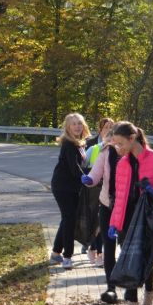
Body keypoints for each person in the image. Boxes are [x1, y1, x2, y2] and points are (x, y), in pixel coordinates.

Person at [106, 122, 153, 305]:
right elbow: (119, 197)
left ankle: (149, 294)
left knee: (145, 258)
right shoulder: (122, 164)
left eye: (120, 143)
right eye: (115, 144)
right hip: (127, 218)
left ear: (132, 138)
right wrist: (114, 223)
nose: (118, 148)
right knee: (129, 260)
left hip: (147, 217)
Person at [80, 121, 123, 303]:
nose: (116, 144)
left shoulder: (133, 155)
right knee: (109, 247)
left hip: (128, 207)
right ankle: (111, 288)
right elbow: (96, 173)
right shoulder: (105, 152)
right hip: (107, 205)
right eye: (113, 140)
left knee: (127, 247)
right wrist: (89, 180)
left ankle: (131, 288)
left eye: (119, 141)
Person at [50, 113, 90, 269]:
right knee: (70, 219)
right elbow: (75, 169)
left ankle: (55, 253)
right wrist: (89, 176)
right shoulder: (68, 144)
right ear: (68, 127)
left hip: (72, 187)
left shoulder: (79, 143)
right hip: (62, 186)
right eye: (73, 124)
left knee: (68, 218)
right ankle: (67, 256)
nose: (77, 126)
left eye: (79, 123)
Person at [84, 117, 115, 264]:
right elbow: (83, 166)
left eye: (111, 127)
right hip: (93, 189)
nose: (109, 130)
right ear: (100, 130)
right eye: (106, 127)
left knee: (103, 223)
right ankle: (92, 247)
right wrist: (87, 179)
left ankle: (99, 251)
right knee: (95, 221)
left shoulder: (118, 147)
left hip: (107, 191)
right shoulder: (93, 146)